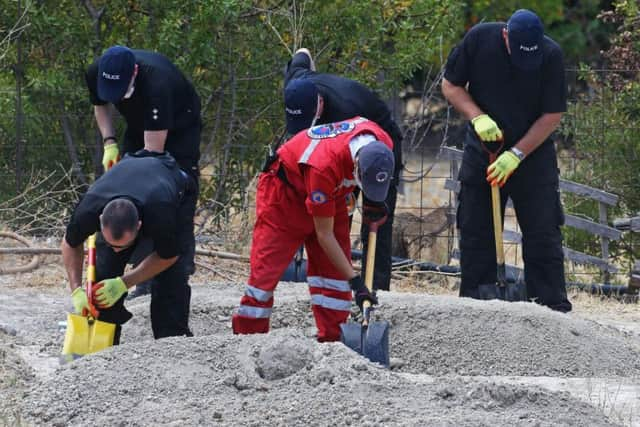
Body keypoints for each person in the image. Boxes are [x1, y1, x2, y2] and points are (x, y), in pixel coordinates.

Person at [441, 9, 572, 312]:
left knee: (543, 233)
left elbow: (552, 115)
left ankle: (551, 309)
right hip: (484, 150)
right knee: (476, 231)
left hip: (533, 155)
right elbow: (451, 85)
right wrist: (477, 116)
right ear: (505, 37)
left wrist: (517, 154)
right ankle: (478, 304)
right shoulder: (479, 40)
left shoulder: (551, 55)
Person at [232, 117, 394, 341]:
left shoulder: (383, 144)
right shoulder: (323, 165)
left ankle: (333, 342)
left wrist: (373, 202)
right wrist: (357, 283)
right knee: (265, 274)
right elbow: (324, 235)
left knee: (333, 276)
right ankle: (247, 338)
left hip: (333, 193)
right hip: (285, 196)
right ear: (356, 165)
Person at [85, 45, 201, 298]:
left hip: (180, 126)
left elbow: (152, 163)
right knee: (126, 189)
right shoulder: (97, 72)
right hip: (139, 124)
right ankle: (127, 267)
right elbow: (100, 104)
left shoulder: (158, 84)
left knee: (165, 191)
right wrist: (110, 143)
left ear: (134, 73)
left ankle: (171, 264)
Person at [282, 48, 403, 292]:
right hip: (338, 151)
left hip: (379, 146)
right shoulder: (296, 85)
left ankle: (376, 289)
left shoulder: (343, 111)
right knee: (335, 216)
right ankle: (337, 284)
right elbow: (302, 54)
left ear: (319, 105)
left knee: (376, 216)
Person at [62, 151, 196, 343]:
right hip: (130, 172)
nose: (117, 250)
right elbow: (69, 243)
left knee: (171, 279)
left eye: (123, 245)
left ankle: (171, 343)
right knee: (104, 274)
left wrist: (125, 282)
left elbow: (169, 256)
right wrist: (76, 290)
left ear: (140, 226)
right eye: (111, 243)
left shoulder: (161, 213)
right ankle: (105, 345)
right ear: (100, 221)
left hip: (175, 184)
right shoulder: (89, 208)